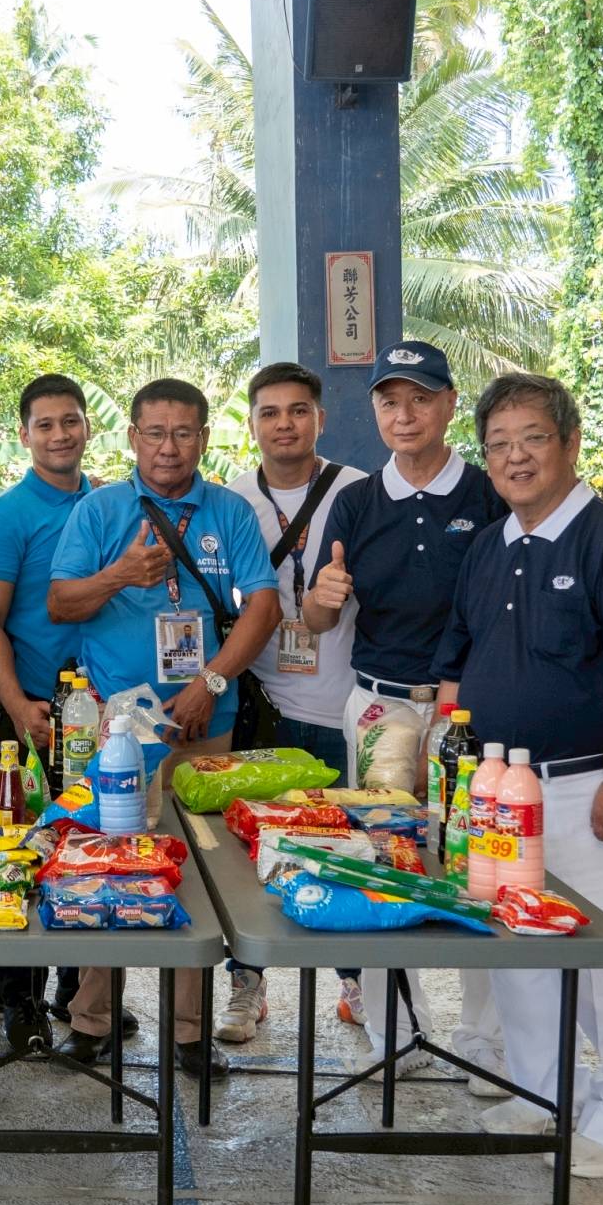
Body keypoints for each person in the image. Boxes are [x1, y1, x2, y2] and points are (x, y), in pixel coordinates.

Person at [432, 372, 603, 1179]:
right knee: (520, 951)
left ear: (570, 443)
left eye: (532, 438)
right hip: (496, 791)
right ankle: (543, 1095)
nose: (515, 457)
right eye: (498, 444)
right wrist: (452, 776)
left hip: (588, 789)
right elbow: (458, 664)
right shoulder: (489, 545)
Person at [47, 377, 282, 1080]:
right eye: (155, 433)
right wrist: (119, 574)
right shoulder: (99, 510)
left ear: (204, 439)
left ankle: (189, 1033)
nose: (169, 447)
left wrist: (211, 682)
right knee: (105, 867)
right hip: (117, 729)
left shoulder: (229, 511)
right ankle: (91, 1022)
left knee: (199, 874)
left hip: (204, 724)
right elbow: (60, 602)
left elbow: (264, 606)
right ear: (132, 438)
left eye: (183, 433)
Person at [303, 340, 507, 1089]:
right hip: (379, 708)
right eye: (390, 401)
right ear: (375, 412)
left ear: (450, 405)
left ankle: (486, 1042)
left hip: (469, 711)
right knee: (382, 863)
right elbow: (317, 618)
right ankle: (397, 1032)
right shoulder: (357, 501)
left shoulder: (488, 494)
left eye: (421, 398)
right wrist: (321, 600)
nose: (405, 414)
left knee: (478, 866)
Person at [219, 362, 367, 1043]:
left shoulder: (360, 492)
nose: (285, 424)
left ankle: (355, 983)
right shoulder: (231, 499)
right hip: (262, 707)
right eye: (270, 412)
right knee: (253, 851)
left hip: (342, 704)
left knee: (347, 849)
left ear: (320, 418)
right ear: (252, 423)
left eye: (298, 410)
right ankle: (246, 984)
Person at [0, 374, 94, 1041]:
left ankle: (79, 993)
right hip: (35, 718)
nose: (59, 434)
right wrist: (16, 704)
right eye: (45, 424)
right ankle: (21, 1001)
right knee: (20, 857)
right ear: (24, 435)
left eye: (70, 421)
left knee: (89, 852)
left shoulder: (109, 502)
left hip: (99, 720)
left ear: (88, 427)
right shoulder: (8, 517)